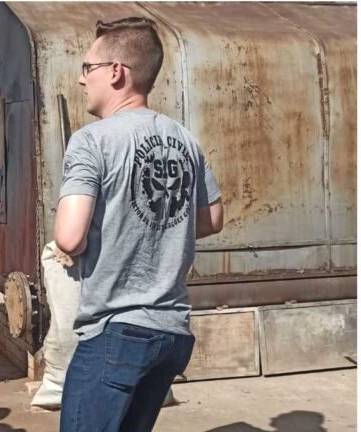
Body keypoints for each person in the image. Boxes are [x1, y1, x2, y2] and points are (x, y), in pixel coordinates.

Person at [55, 17, 224, 432]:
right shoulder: (185, 138)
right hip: (172, 333)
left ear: (116, 72)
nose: (82, 81)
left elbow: (69, 236)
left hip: (116, 332)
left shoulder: (92, 140)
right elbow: (212, 219)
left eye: (87, 68)